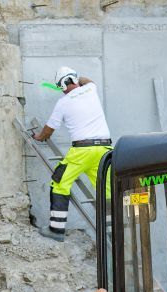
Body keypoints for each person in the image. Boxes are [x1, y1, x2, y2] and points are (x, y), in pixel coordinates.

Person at [32, 66, 112, 242]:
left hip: (82, 151)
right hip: (105, 150)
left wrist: (39, 137)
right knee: (107, 189)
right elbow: (87, 80)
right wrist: (77, 79)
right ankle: (111, 230)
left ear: (60, 85)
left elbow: (49, 130)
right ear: (74, 79)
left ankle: (57, 229)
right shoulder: (91, 89)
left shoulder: (63, 103)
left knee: (60, 182)